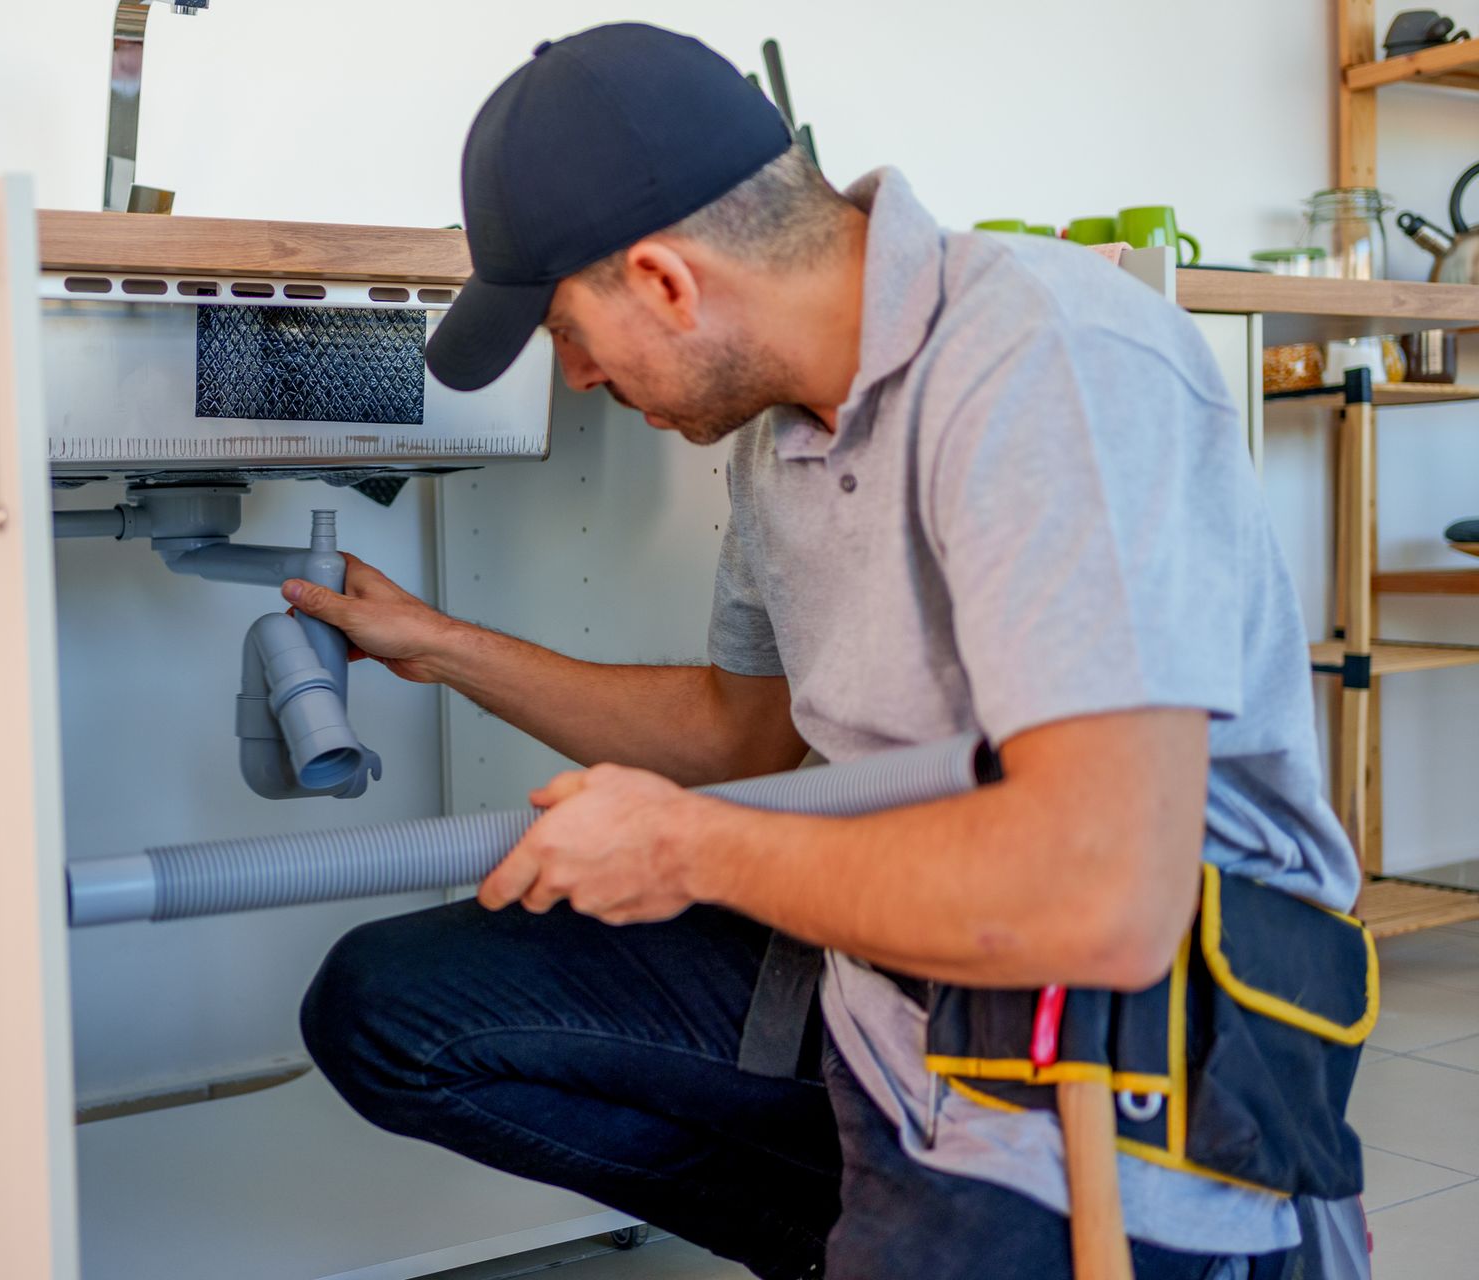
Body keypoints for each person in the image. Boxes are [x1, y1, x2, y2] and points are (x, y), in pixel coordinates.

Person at [289, 22, 1360, 1280]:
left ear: (667, 281)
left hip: (1123, 1035)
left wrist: (685, 847)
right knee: (390, 1011)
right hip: (880, 974)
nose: (574, 377)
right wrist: (437, 644)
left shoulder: (1049, 365)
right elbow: (739, 736)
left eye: (569, 333)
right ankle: (853, 1237)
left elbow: (1104, 899)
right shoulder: (775, 440)